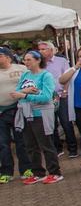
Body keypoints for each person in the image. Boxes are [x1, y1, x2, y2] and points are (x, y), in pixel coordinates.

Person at [11, 50, 62, 184]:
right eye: (25, 60)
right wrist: (24, 91)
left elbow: (46, 97)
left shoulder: (46, 76)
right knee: (30, 145)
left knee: (46, 143)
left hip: (41, 114)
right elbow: (16, 92)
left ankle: (55, 171)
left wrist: (25, 95)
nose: (25, 62)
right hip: (26, 114)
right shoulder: (25, 75)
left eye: (29, 60)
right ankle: (38, 172)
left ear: (38, 60)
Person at [0, 47, 32, 183]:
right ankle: (6, 172)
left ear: (8, 57)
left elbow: (34, 80)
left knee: (22, 141)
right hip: (2, 112)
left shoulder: (21, 69)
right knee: (3, 143)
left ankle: (26, 169)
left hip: (19, 109)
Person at [38, 42, 74, 157]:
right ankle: (57, 148)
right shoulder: (39, 63)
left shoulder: (61, 61)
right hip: (47, 97)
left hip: (61, 95)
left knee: (66, 122)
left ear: (51, 50)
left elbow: (68, 76)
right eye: (39, 49)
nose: (40, 51)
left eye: (43, 49)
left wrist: (65, 91)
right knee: (51, 124)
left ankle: (72, 148)